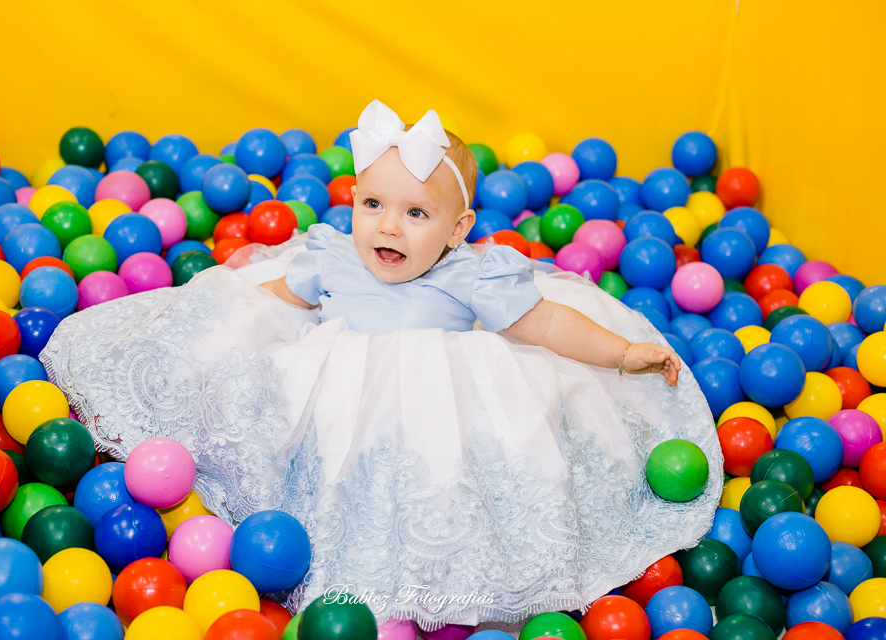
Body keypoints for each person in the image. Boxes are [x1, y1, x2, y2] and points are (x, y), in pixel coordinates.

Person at [41, 100, 723, 633]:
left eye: (416, 213)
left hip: (437, 421)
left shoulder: (472, 277)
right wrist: (208, 326)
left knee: (453, 492)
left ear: (457, 232)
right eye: (373, 205)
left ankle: (448, 583)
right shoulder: (333, 259)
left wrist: (622, 351)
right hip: (341, 412)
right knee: (327, 477)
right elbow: (266, 302)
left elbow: (544, 323)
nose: (388, 228)